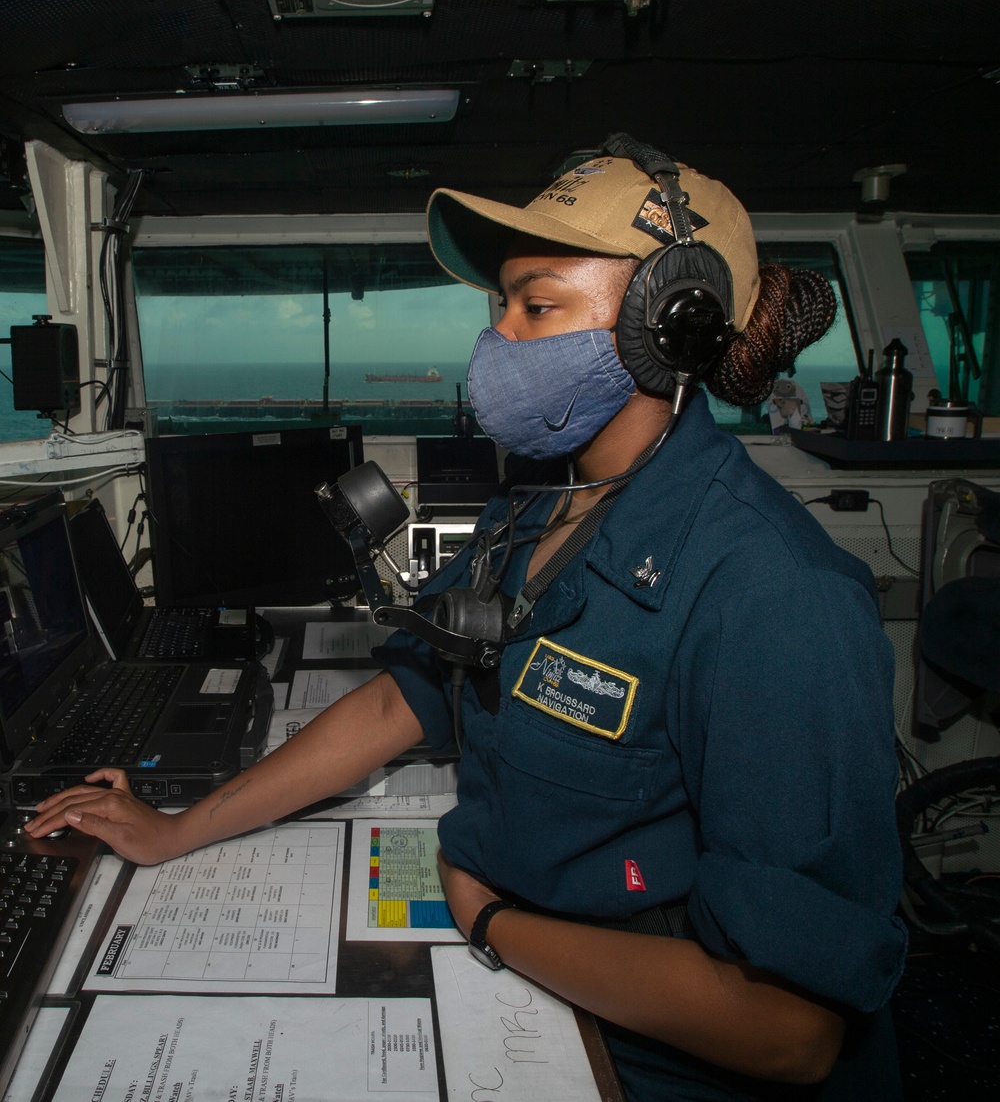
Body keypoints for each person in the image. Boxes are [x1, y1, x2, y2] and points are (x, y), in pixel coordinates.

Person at [28, 136, 907, 1101]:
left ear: (673, 326)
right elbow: (398, 702)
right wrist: (174, 830)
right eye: (501, 308)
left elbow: (790, 1027)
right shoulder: (527, 511)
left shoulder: (776, 595)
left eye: (538, 306)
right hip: (532, 987)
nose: (499, 343)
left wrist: (491, 922)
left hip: (641, 1062)